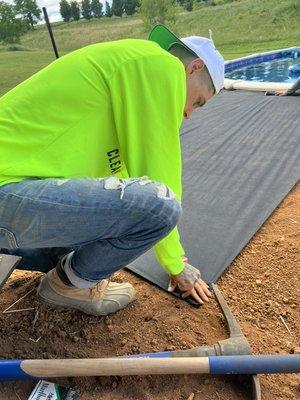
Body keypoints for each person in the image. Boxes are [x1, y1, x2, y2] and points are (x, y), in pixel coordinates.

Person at [0, 25, 224, 316]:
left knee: (104, 221)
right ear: (194, 67)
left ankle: (64, 272)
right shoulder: (162, 65)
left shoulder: (130, 66)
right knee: (162, 207)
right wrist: (175, 263)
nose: (189, 113)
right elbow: (159, 171)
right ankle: (68, 285)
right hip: (7, 195)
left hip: (12, 196)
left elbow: (121, 179)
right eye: (198, 101)